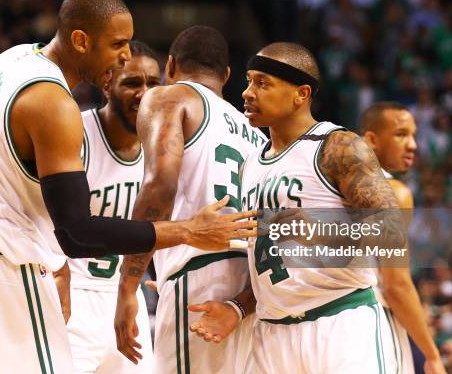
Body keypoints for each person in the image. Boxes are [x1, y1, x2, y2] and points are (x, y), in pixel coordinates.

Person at [0, 0, 257, 373]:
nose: (126, 55)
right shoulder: (55, 105)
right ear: (80, 40)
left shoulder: (10, 61)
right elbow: (76, 234)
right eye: (117, 44)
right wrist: (187, 231)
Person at [188, 42, 403, 373]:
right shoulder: (251, 166)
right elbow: (270, 263)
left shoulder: (337, 146)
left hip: (341, 323)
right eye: (248, 81)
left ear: (301, 94)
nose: (247, 92)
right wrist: (236, 306)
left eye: (262, 83)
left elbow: (390, 231)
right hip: (272, 334)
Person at [115, 25, 267, 374]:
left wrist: (127, 287)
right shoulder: (258, 137)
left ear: (169, 66)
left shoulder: (170, 97)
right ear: (227, 76)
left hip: (200, 279)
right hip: (250, 290)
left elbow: (159, 189)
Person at [66, 40, 160, 373]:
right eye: (133, 83)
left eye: (153, 83)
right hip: (70, 298)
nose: (144, 93)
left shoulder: (159, 149)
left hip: (124, 297)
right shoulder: (76, 133)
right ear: (107, 85)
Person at [361, 102, 446, 374]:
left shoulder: (328, 184)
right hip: (370, 321)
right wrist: (431, 354)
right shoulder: (393, 192)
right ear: (371, 140)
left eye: (414, 135)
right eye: (401, 134)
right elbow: (396, 286)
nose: (413, 145)